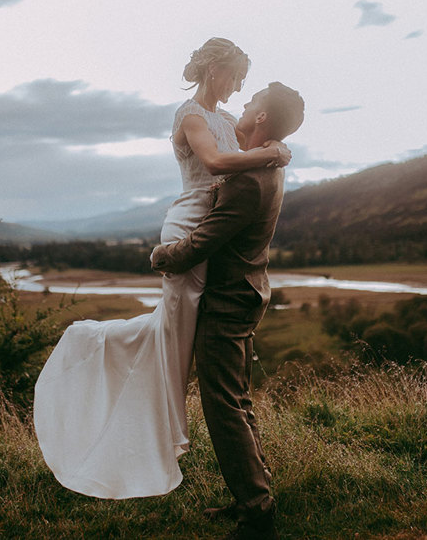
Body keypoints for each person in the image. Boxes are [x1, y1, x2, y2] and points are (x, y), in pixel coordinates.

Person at [33, 38, 291, 499]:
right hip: (188, 228)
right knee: (172, 338)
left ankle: (193, 449)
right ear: (215, 70)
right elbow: (214, 162)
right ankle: (96, 350)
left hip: (211, 230)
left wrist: (274, 143)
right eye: (235, 77)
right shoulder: (190, 115)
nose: (238, 88)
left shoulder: (229, 120)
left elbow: (253, 137)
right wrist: (271, 153)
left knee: (175, 338)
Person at [152, 82, 305, 540]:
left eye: (250, 103)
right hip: (246, 293)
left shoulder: (247, 181)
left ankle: (257, 511)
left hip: (226, 300)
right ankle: (255, 495)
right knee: (236, 399)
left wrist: (161, 256)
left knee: (223, 407)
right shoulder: (265, 168)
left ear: (261, 119)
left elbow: (201, 243)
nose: (242, 106)